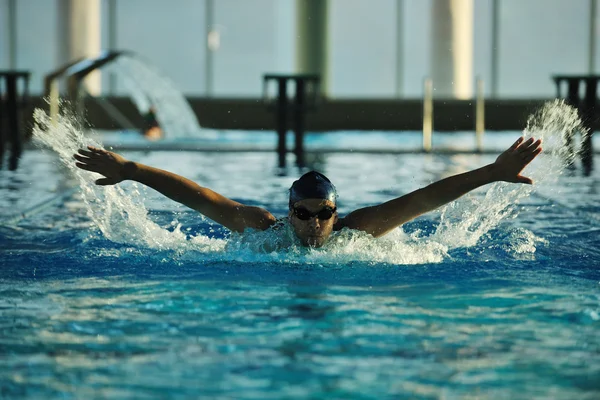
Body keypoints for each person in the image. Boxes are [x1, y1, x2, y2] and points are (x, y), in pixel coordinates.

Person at [73, 136, 542, 248]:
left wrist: (490, 172)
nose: (312, 224)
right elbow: (197, 196)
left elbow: (423, 199)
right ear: (288, 210)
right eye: (302, 213)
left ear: (337, 213)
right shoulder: (261, 228)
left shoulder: (358, 233)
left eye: (323, 214)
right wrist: (130, 168)